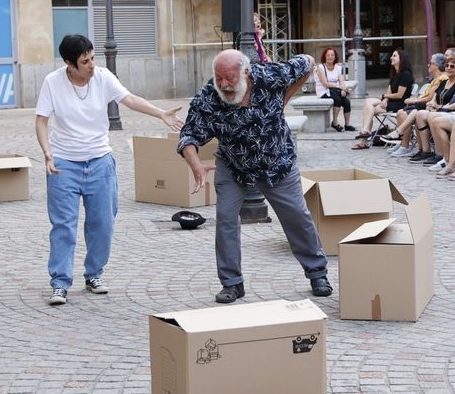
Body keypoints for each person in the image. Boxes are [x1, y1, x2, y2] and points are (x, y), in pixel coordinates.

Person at [36, 34, 184, 306]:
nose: (92, 65)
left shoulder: (103, 77)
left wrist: (160, 113)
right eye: (85, 61)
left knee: (102, 223)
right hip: (63, 164)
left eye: (93, 58)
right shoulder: (52, 82)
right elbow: (42, 119)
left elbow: (130, 99)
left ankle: (94, 274)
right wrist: (47, 152)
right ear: (69, 63)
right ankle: (59, 283)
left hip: (100, 161)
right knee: (63, 227)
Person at [177, 49, 332, 304]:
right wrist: (196, 166)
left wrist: (286, 95)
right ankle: (232, 284)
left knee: (296, 215)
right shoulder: (209, 96)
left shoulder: (270, 76)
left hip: (276, 162)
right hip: (233, 165)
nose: (224, 84)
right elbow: (189, 134)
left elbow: (308, 63)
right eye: (219, 78)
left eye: (229, 78)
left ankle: (317, 272)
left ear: (246, 72)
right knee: (226, 219)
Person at [352, 49, 413, 147]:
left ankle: (364, 139)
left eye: (394, 56)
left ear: (401, 59)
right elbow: (389, 91)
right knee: (368, 103)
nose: (391, 58)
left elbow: (399, 95)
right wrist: (385, 99)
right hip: (391, 101)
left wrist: (385, 96)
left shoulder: (406, 75)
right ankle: (366, 130)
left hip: (400, 104)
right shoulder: (394, 73)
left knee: (370, 110)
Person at [314, 47, 353, 132]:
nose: (330, 57)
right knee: (338, 99)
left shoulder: (338, 67)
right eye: (328, 55)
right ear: (325, 56)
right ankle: (335, 123)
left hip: (335, 90)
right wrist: (340, 87)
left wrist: (343, 89)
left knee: (346, 102)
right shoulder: (320, 68)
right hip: (323, 91)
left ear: (335, 57)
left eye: (332, 55)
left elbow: (341, 81)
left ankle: (347, 125)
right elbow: (325, 83)